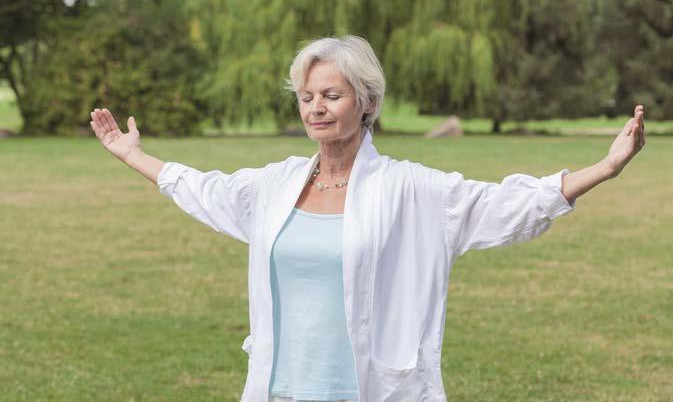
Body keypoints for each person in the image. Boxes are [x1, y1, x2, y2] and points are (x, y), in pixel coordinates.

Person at [89, 35, 646, 402]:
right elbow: (204, 189)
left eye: (331, 94)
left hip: (374, 388)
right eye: (306, 97)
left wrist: (604, 167)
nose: (316, 108)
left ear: (367, 102)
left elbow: (503, 203)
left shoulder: (409, 188)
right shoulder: (278, 183)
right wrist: (133, 155)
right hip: (280, 388)